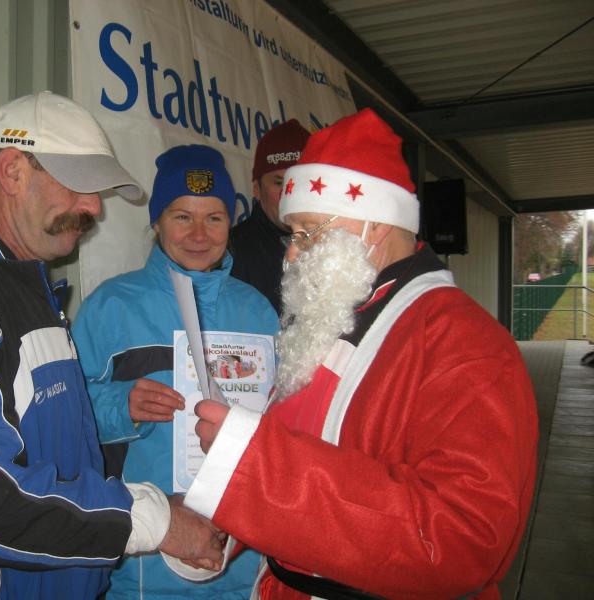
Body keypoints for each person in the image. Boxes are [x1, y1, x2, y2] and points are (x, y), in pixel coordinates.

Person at [0, 92, 225, 600]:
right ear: (12, 172)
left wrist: (144, 502)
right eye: (80, 184)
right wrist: (152, 519)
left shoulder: (34, 294)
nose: (95, 207)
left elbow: (67, 462)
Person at [185, 108, 539, 599]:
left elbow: (462, 540)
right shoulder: (335, 319)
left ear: (376, 225)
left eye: (309, 231)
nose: (292, 254)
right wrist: (227, 527)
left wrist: (255, 467)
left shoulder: (465, 344)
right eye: (292, 235)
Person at [72, 144, 279, 599]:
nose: (199, 234)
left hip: (241, 560)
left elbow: (282, 419)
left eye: (214, 218)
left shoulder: (257, 310)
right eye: (182, 216)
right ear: (157, 222)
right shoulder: (111, 306)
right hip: (145, 568)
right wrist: (121, 405)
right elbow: (65, 418)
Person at [229, 119, 310, 314]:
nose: (289, 193)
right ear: (256, 189)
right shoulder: (230, 253)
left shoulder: (340, 244)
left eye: (301, 181)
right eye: (279, 183)